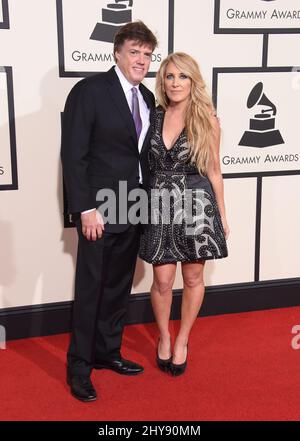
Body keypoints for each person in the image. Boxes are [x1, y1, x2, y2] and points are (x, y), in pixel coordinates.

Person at [61, 21, 157, 401]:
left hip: (133, 206)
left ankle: (107, 352)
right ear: (116, 52)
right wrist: (85, 208)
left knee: (118, 287)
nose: (141, 60)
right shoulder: (89, 91)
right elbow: (74, 154)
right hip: (99, 209)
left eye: (147, 54)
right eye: (134, 52)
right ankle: (79, 367)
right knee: (91, 289)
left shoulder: (147, 98)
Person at [139, 52, 229, 376]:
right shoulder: (154, 116)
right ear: (162, 81)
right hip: (161, 204)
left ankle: (182, 341)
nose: (175, 82)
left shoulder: (207, 120)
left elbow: (215, 171)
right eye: (169, 76)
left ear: (194, 81)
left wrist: (221, 215)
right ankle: (164, 336)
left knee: (192, 278)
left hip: (196, 204)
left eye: (183, 76)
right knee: (162, 281)